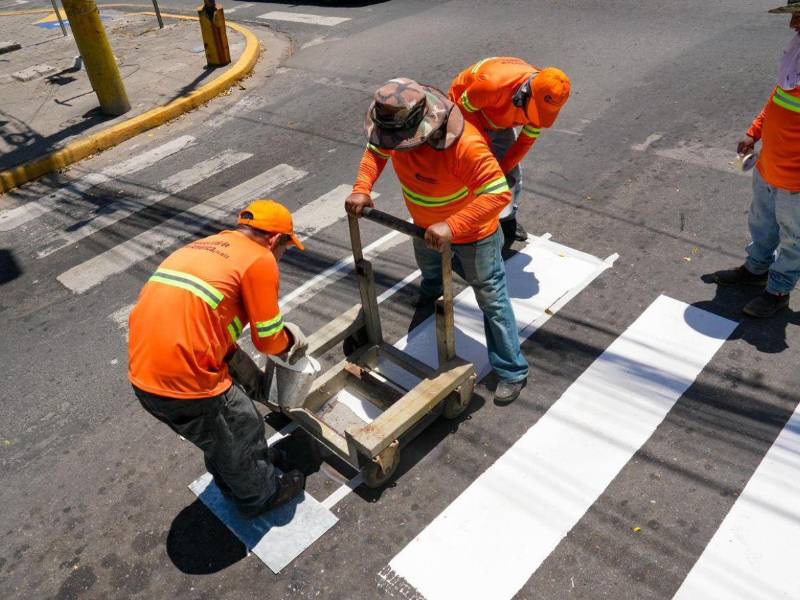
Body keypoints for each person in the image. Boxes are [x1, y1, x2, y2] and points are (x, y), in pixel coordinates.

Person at [345, 78, 529, 404]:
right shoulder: (393, 130)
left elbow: (497, 194)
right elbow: (375, 151)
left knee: (492, 299)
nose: (396, 147)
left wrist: (452, 226)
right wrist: (362, 188)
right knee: (430, 273)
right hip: (426, 228)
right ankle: (430, 301)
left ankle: (512, 369)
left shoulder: (465, 145)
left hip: (474, 235)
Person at [128, 199, 307, 517]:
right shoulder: (259, 259)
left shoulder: (202, 247)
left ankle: (245, 472)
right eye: (285, 248)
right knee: (242, 427)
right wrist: (291, 340)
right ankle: (260, 496)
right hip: (185, 384)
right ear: (275, 239)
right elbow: (269, 341)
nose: (282, 255)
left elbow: (201, 321)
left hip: (145, 376)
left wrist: (243, 370)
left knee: (221, 437)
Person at [713, 2, 800, 317]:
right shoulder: (794, 64)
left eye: (799, 16)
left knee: (793, 241)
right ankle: (756, 270)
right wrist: (754, 133)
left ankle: (778, 291)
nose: (792, 24)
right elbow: (777, 100)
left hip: (795, 184)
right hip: (768, 168)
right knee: (762, 224)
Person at [449, 57, 571, 255]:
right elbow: (461, 115)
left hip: (500, 121)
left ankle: (507, 220)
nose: (535, 118)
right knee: (470, 173)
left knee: (510, 176)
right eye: (535, 111)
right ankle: (461, 226)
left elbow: (524, 142)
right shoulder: (491, 84)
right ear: (525, 94)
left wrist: (502, 170)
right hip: (468, 114)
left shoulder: (544, 95)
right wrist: (484, 150)